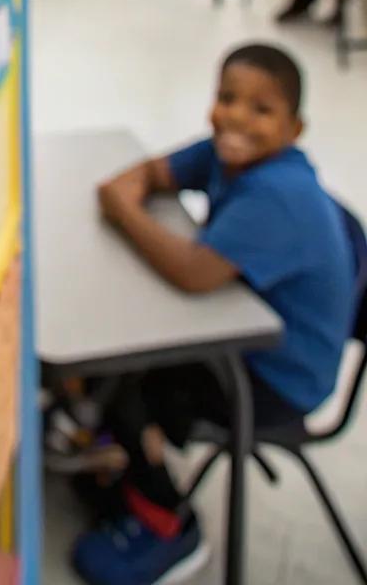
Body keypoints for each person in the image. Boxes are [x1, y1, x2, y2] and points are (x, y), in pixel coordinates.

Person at [71, 43, 357, 584]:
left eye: (261, 109)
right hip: (252, 339)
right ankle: (117, 455)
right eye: (227, 98)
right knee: (123, 344)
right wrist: (124, 194)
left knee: (128, 377)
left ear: (295, 129)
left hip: (281, 380)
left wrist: (122, 207)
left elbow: (192, 272)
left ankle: (167, 525)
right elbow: (153, 173)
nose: (237, 118)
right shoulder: (228, 153)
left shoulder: (277, 195)